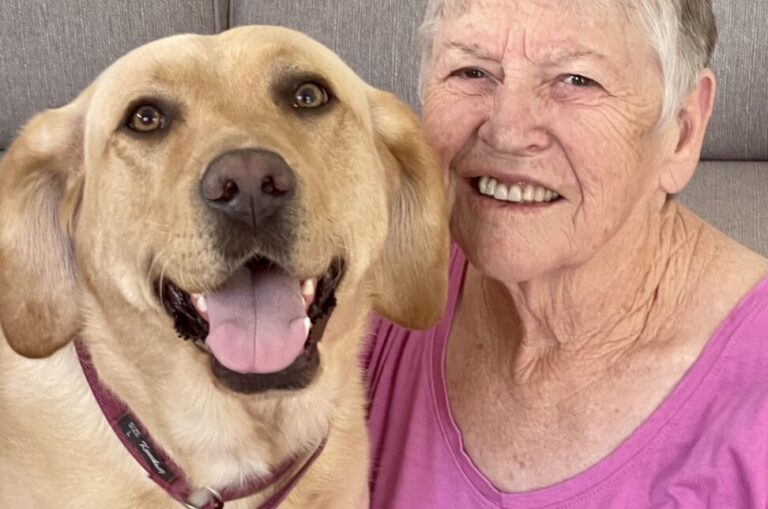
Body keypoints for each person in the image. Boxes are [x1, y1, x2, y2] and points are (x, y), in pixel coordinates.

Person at [364, 0, 768, 507]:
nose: (507, 131)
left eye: (576, 80)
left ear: (683, 131)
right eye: (472, 71)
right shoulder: (368, 291)